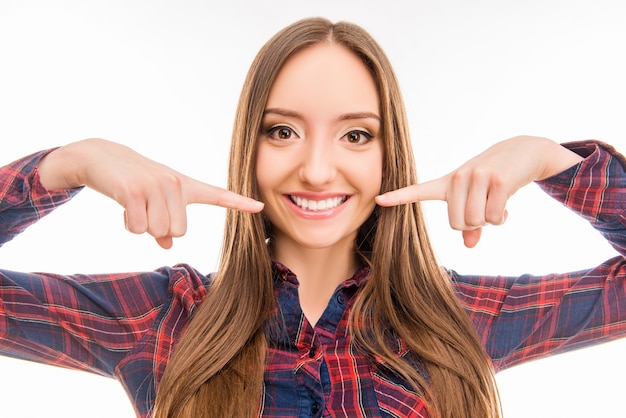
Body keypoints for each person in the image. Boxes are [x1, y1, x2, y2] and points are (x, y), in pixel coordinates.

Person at [0, 16, 624, 418]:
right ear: (250, 146)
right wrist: (70, 164)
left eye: (356, 135)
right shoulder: (164, 319)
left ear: (390, 155)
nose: (319, 170)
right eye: (282, 132)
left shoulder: (456, 321)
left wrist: (552, 160)